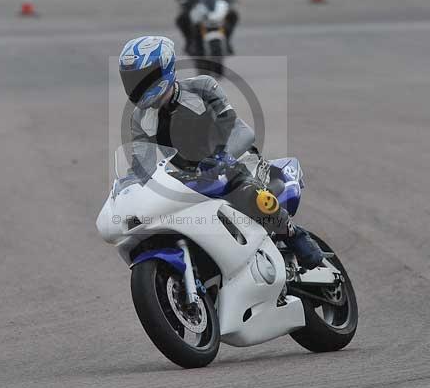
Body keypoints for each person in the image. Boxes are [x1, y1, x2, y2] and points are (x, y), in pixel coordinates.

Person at [118, 35, 324, 269]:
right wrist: (126, 187)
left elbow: (238, 130)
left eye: (142, 78)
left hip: (236, 162)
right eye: (132, 80)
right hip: (188, 178)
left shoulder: (202, 87)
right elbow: (141, 165)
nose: (137, 85)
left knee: (245, 190)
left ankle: (294, 235)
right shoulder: (140, 117)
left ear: (164, 68)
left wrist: (217, 159)